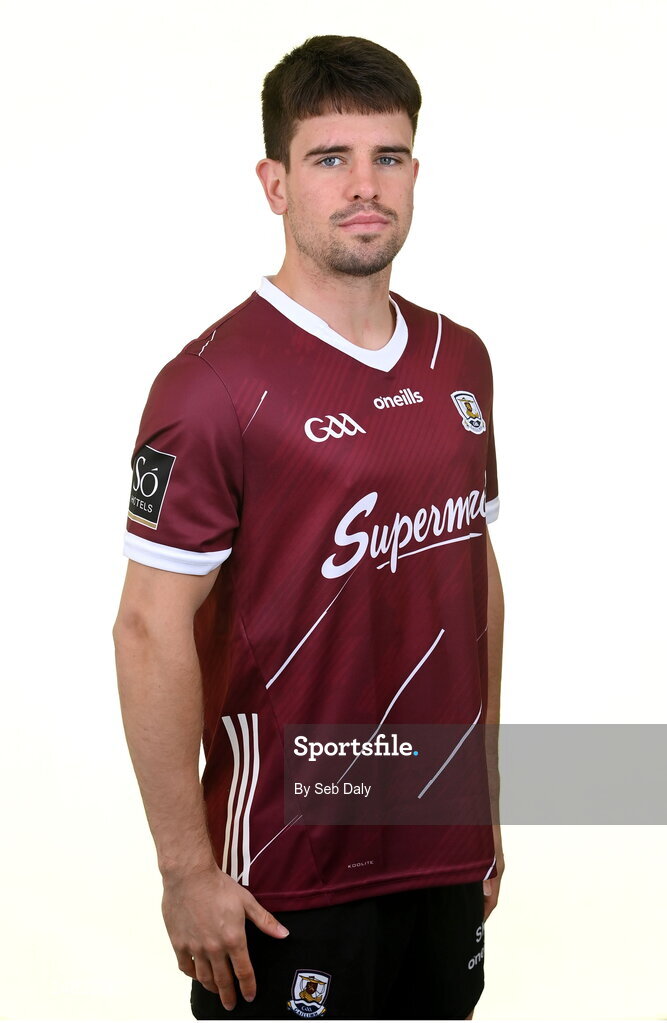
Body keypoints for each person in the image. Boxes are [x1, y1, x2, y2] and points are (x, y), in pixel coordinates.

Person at [113, 34, 505, 1021]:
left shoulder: (461, 361)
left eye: (388, 157)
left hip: (439, 849)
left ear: (415, 170)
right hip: (285, 872)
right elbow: (148, 628)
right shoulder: (210, 385)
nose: (363, 186)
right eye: (330, 159)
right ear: (275, 182)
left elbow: (474, 579)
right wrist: (182, 873)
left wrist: (483, 804)